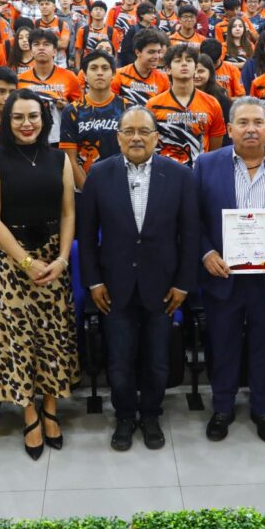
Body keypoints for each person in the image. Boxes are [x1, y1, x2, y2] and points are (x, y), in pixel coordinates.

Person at [79, 105, 198, 451]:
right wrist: (94, 282)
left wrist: (183, 284)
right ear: (118, 138)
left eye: (144, 131)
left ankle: (150, 415)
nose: (136, 138)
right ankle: (125, 416)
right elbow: (86, 236)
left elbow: (190, 235)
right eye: (128, 131)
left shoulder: (179, 176)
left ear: (156, 138)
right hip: (113, 287)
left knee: (157, 360)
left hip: (163, 287)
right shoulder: (98, 174)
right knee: (119, 361)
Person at [195, 96, 265, 443]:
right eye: (243, 123)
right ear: (229, 129)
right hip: (222, 276)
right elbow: (192, 220)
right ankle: (222, 408)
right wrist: (206, 253)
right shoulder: (205, 165)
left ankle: (263, 408)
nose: (251, 129)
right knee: (222, 345)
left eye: (258, 122)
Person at [0, 89, 78, 460]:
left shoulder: (58, 158)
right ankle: (29, 413)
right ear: (7, 121)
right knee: (18, 339)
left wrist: (62, 258)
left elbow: (68, 212)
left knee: (54, 334)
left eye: (33, 116)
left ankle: (50, 408)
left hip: (54, 259)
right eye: (18, 117)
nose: (26, 123)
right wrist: (25, 262)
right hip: (12, 261)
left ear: (44, 119)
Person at [147, 44, 225, 167]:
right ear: (168, 69)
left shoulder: (212, 104)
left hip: (199, 172)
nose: (184, 64)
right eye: (178, 61)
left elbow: (214, 150)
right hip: (164, 171)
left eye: (189, 60)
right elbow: (149, 144)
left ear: (195, 68)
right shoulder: (153, 105)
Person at [59, 51, 128, 189]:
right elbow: (70, 159)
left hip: (121, 186)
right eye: (94, 68)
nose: (99, 73)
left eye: (105, 68)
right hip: (84, 187)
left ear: (113, 74)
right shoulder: (72, 111)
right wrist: (89, 192)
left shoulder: (127, 109)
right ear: (84, 75)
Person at [16, 29, 81, 145]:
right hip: (29, 139)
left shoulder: (69, 77)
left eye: (46, 44)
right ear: (31, 51)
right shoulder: (20, 79)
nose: (41, 48)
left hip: (61, 139)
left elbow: (81, 109)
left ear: (55, 51)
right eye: (36, 44)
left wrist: (67, 107)